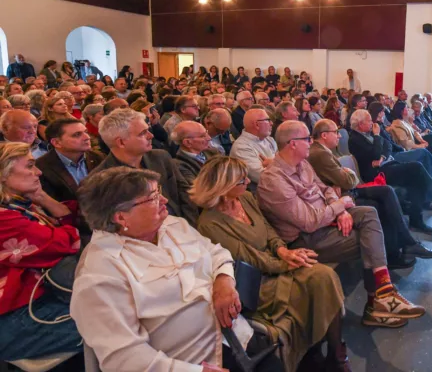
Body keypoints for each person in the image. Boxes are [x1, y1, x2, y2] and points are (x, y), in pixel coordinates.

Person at [71, 167, 278, 372]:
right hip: (191, 362)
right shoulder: (99, 274)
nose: (165, 201)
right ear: (121, 217)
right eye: (152, 197)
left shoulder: (172, 225)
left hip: (238, 338)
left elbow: (217, 253)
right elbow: (124, 357)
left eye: (159, 191)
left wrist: (224, 281)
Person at [259, 121, 426, 328]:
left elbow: (326, 188)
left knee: (369, 213)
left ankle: (383, 291)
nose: (311, 142)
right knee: (370, 240)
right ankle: (376, 304)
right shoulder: (273, 179)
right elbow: (309, 222)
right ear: (292, 143)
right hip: (305, 239)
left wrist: (339, 210)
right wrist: (339, 207)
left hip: (325, 220)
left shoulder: (302, 163)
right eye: (307, 139)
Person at [192, 156, 350, 372]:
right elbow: (249, 258)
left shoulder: (245, 198)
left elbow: (267, 229)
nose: (248, 181)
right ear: (224, 186)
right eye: (241, 180)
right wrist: (287, 264)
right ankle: (318, 354)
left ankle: (335, 354)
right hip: (256, 280)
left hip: (274, 261)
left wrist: (284, 250)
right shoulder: (209, 224)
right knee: (312, 282)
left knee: (324, 276)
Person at [309, 119, 432, 267]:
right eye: (336, 133)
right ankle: (398, 251)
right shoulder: (320, 153)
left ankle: (402, 247)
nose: (339, 136)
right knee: (382, 199)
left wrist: (343, 177)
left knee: (387, 192)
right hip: (342, 196)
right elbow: (349, 181)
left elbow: (346, 178)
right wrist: (347, 173)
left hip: (346, 191)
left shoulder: (323, 151)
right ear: (324, 135)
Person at [0, 142, 82, 362]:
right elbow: (67, 242)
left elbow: (70, 218)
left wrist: (43, 197)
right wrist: (67, 229)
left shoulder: (20, 205)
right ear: (4, 175)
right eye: (29, 166)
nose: (38, 172)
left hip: (40, 300)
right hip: (14, 318)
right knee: (115, 322)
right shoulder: (4, 218)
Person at [348, 110, 432, 233]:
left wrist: (381, 157)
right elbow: (376, 152)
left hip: (385, 164)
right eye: (368, 120)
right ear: (360, 124)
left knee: (416, 179)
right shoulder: (355, 139)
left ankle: (417, 220)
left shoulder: (369, 133)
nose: (372, 122)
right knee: (416, 167)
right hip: (376, 174)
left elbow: (387, 146)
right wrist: (377, 137)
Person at [93, 108, 198, 226]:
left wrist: (190, 227)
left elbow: (185, 195)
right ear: (121, 142)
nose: (151, 135)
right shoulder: (101, 179)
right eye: (143, 133)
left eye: (148, 130)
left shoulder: (161, 157)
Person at [36, 118, 104, 203]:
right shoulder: (41, 168)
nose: (87, 137)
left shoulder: (97, 157)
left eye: (86, 132)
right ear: (57, 142)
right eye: (77, 135)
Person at [231, 108, 277, 185]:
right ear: (257, 124)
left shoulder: (269, 140)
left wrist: (273, 164)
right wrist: (276, 163)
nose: (271, 123)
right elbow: (263, 177)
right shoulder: (241, 147)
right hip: (257, 193)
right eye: (268, 120)